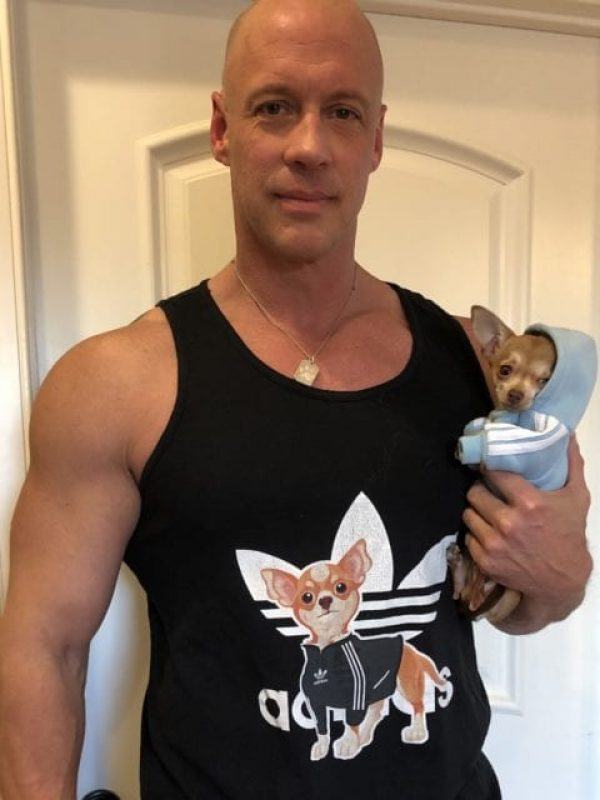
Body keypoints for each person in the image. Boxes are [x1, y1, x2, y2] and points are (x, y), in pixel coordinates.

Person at [0, 0, 592, 798]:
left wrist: (560, 578)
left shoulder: (480, 365)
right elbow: (45, 647)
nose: (309, 147)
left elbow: (520, 600)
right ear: (223, 128)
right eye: (275, 107)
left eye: (342, 112)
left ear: (375, 138)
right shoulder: (114, 383)